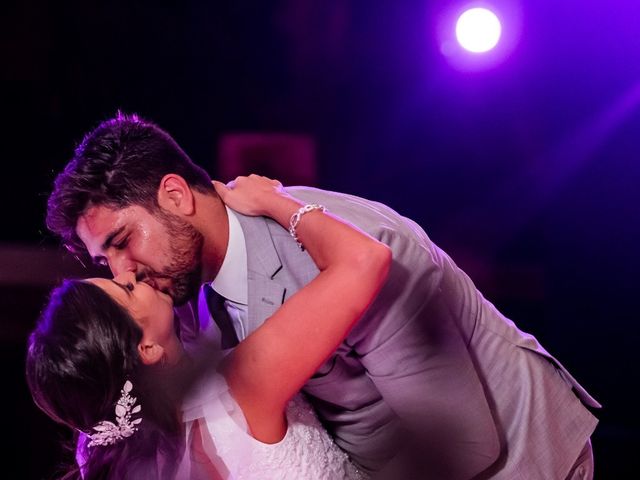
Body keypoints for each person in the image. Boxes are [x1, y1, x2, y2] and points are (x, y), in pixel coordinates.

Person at [46, 113, 600, 479]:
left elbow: (466, 448)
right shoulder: (179, 297)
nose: (126, 274)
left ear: (175, 195)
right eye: (105, 263)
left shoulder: (346, 247)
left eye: (122, 243)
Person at [27, 174, 392, 479]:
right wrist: (273, 200)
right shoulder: (239, 389)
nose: (127, 272)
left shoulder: (108, 457)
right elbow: (365, 260)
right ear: (147, 349)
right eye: (126, 290)